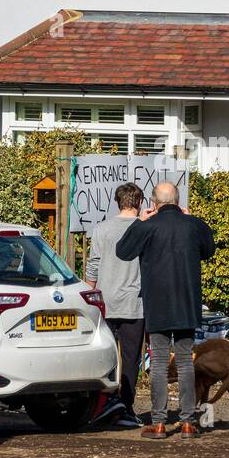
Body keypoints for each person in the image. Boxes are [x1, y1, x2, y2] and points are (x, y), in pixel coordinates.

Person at [115, 181, 215, 441]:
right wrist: (191, 219)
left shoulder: (147, 226)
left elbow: (123, 251)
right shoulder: (194, 225)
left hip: (157, 304)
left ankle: (159, 423)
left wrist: (139, 221)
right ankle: (187, 423)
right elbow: (209, 251)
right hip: (186, 304)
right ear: (179, 201)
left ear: (154, 202)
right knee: (184, 363)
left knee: (158, 363)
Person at [84, 183, 146, 429]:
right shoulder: (144, 229)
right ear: (139, 202)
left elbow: (93, 265)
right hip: (135, 302)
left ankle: (104, 404)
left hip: (107, 301)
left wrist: (90, 292)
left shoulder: (101, 229)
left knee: (106, 357)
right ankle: (126, 407)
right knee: (131, 359)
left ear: (117, 202)